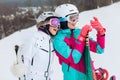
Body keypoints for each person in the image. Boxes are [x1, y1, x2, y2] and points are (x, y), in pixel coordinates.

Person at [53, 4, 106, 80]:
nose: (75, 21)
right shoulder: (58, 40)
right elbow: (74, 58)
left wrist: (100, 32)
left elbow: (99, 49)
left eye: (77, 17)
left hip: (89, 76)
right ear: (63, 20)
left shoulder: (78, 32)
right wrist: (81, 38)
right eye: (72, 18)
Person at [23, 11, 62, 80]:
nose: (57, 26)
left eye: (58, 23)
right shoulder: (35, 38)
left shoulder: (51, 41)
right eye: (54, 22)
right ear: (44, 24)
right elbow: (25, 61)